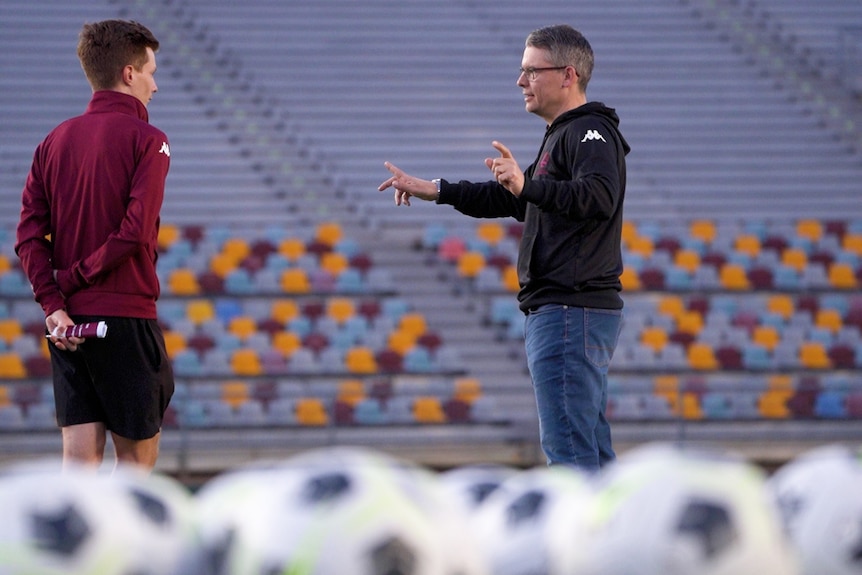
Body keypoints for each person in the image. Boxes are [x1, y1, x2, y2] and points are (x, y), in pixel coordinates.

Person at [378, 24, 630, 471]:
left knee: (571, 457)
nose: (520, 82)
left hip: (570, 310)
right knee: (588, 450)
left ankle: (580, 540)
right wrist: (434, 189)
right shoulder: (563, 133)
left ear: (568, 75)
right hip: (570, 312)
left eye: (531, 71)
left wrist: (528, 185)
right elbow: (512, 198)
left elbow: (597, 197)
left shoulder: (590, 131)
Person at [15, 20, 173, 471]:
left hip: (67, 324)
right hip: (124, 318)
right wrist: (75, 276)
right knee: (137, 466)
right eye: (150, 72)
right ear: (128, 74)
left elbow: (27, 236)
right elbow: (134, 232)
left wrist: (53, 303)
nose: (155, 86)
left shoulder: (53, 142)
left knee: (78, 463)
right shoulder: (151, 141)